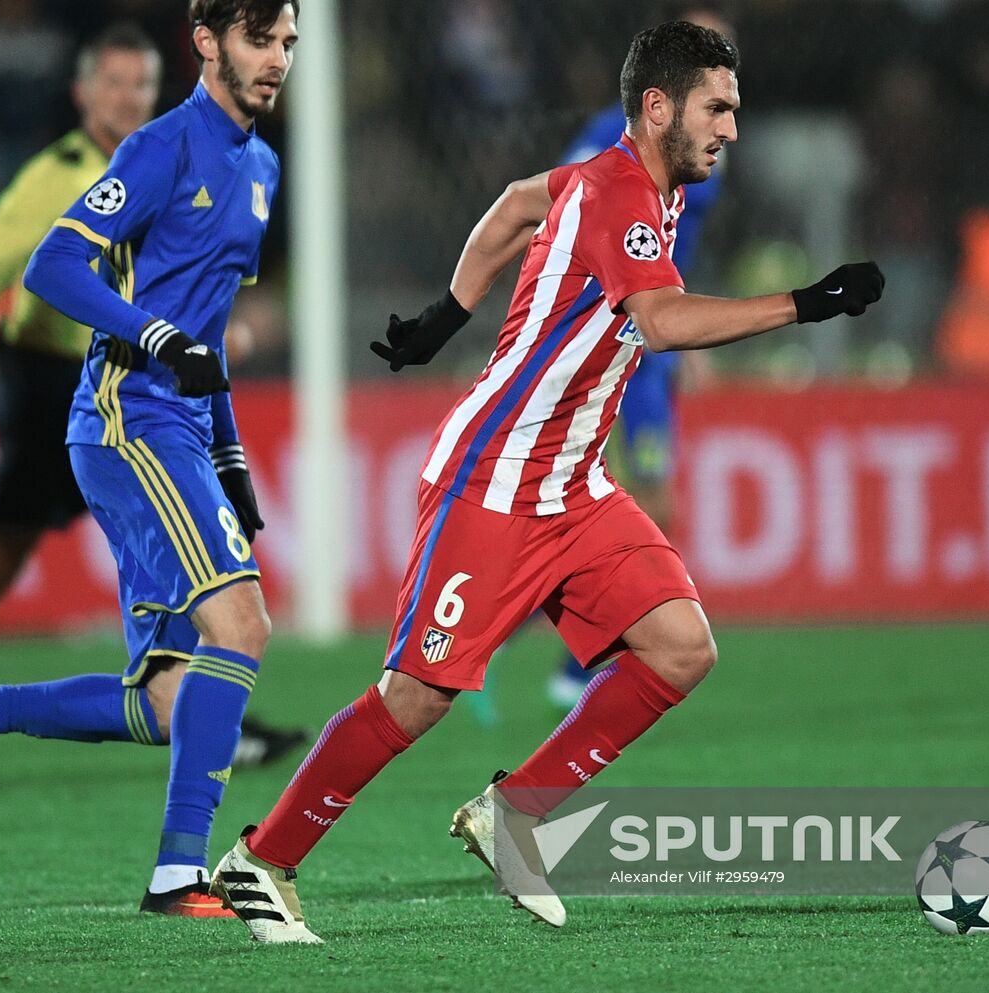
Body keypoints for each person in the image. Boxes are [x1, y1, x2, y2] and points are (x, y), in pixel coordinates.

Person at [208, 20, 884, 943]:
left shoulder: (625, 183)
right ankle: (263, 860)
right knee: (416, 696)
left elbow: (519, 204)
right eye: (717, 108)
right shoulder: (619, 196)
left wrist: (450, 312)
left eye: (736, 109)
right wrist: (810, 302)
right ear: (659, 106)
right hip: (491, 480)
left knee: (681, 647)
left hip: (571, 486)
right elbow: (663, 322)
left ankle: (514, 811)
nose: (732, 128)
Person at [0, 0, 299, 919]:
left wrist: (230, 455)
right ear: (207, 43)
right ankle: (179, 874)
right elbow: (50, 268)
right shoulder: (160, 148)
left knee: (165, 698)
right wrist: (150, 335)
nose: (278, 60)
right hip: (125, 417)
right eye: (261, 40)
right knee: (246, 626)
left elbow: (210, 332)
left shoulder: (261, 167)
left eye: (289, 43)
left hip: (183, 428)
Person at [544, 4, 730, 709]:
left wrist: (687, 330)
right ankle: (567, 658)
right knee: (632, 502)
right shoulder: (613, 137)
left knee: (655, 503)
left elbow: (678, 247)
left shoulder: (709, 140)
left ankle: (568, 655)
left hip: (656, 344)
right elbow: (564, 210)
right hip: (612, 338)